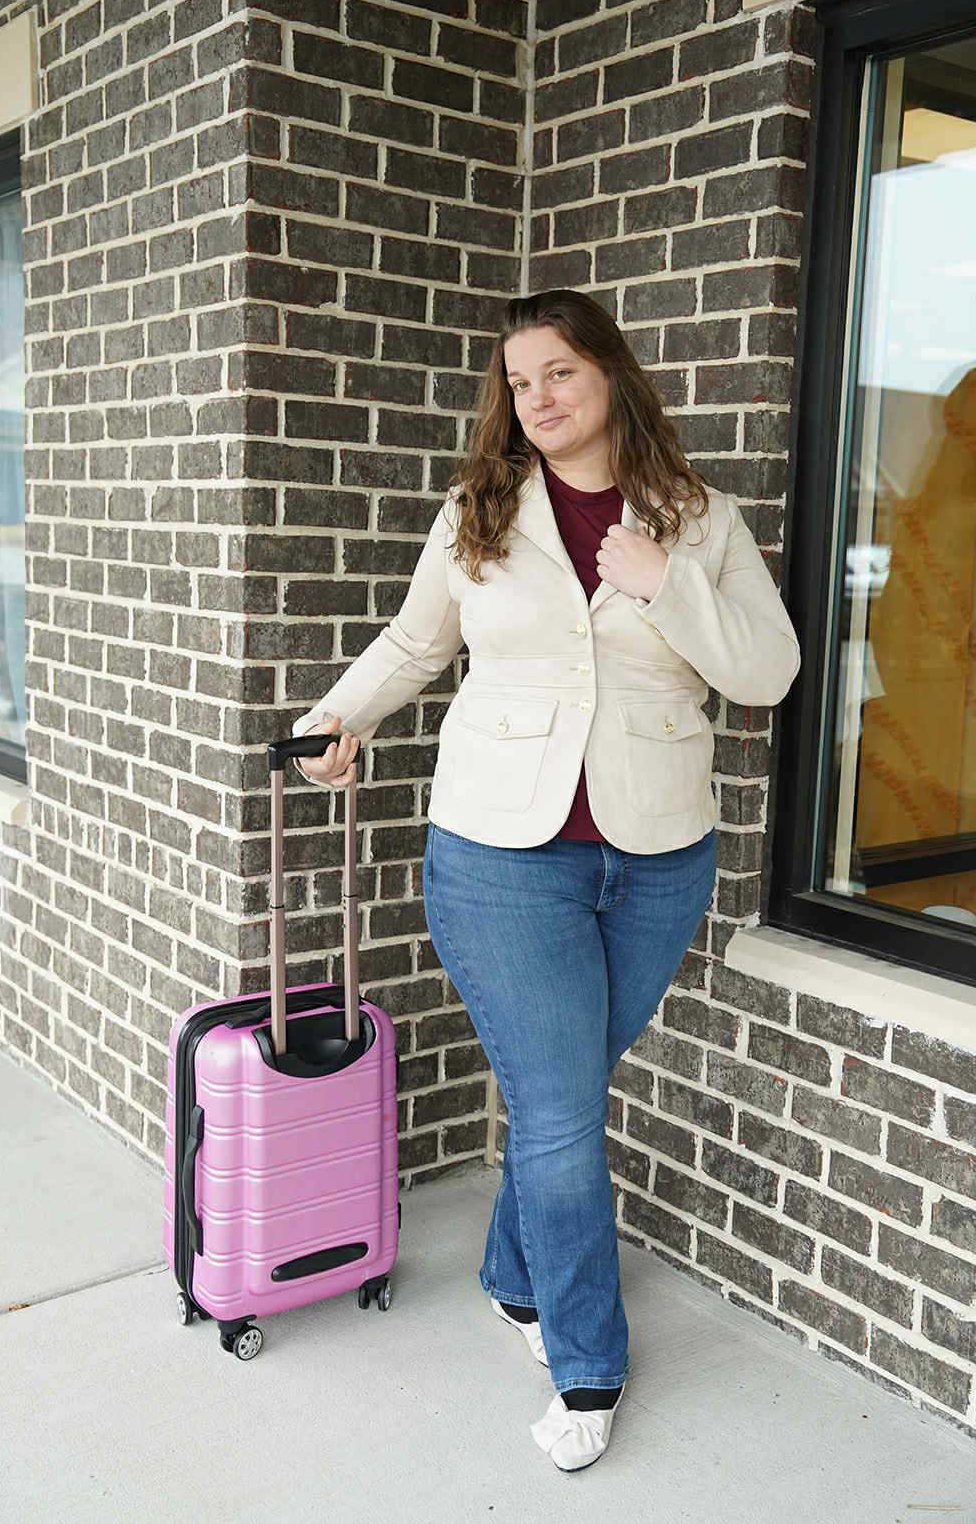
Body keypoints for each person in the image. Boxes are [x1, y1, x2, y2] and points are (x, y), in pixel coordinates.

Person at [289, 289, 801, 1472]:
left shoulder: (694, 518)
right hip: (500, 857)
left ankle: (510, 1267)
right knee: (567, 1111)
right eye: (519, 383)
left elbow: (766, 673)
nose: (538, 399)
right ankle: (584, 1360)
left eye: (559, 372)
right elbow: (420, 641)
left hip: (659, 855)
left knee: (560, 1091)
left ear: (609, 375)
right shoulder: (479, 506)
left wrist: (665, 578)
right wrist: (334, 718)